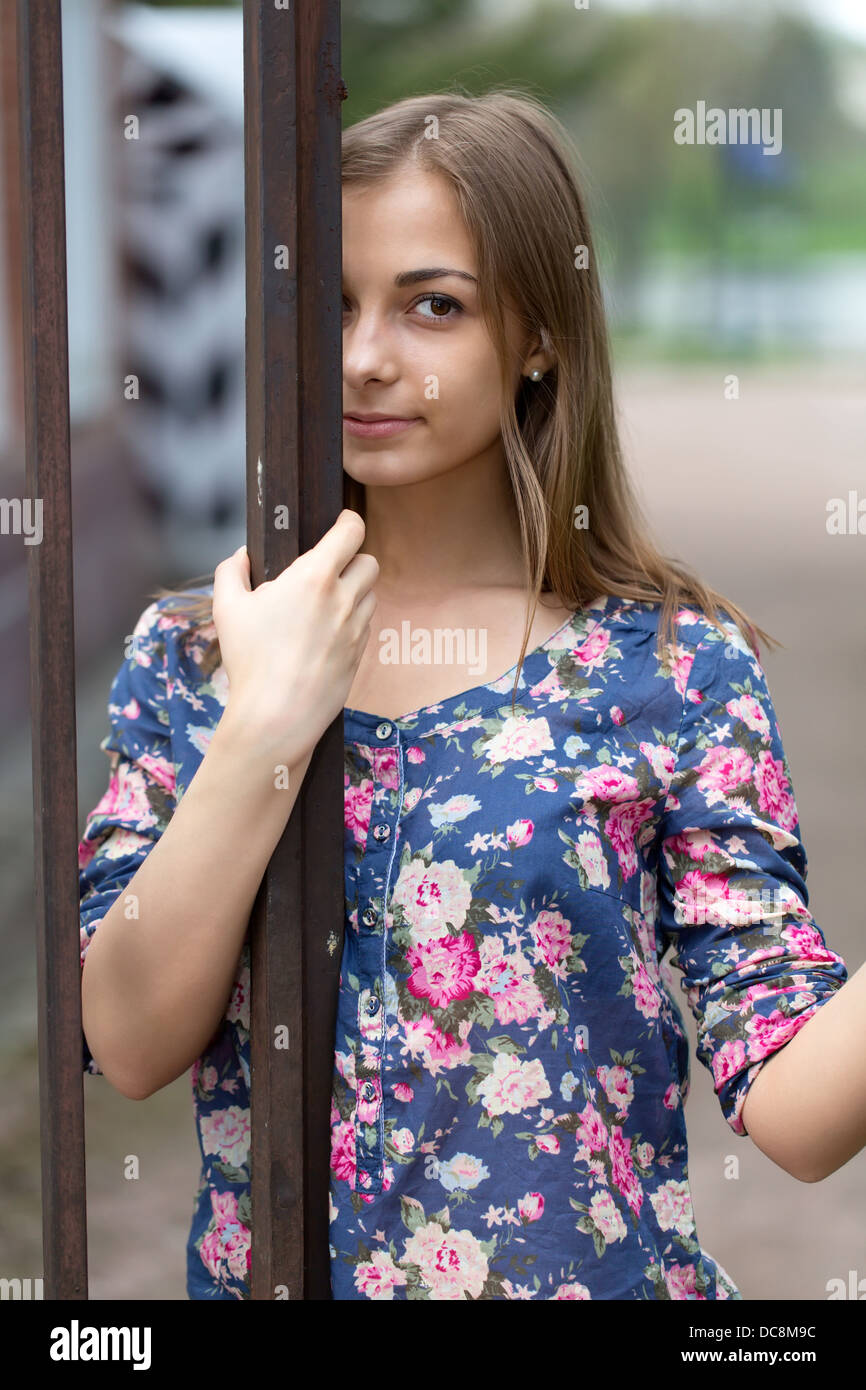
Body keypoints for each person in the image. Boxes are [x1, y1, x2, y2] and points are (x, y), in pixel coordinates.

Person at [78, 88, 853, 1301]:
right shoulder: (195, 653)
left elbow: (796, 1104)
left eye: (432, 305)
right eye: (330, 305)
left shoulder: (670, 667)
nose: (365, 358)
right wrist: (265, 725)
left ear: (538, 335)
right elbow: (125, 1043)